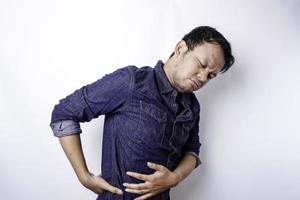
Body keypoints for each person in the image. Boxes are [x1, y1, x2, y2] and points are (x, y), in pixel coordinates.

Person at [49, 26, 235, 200]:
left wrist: (175, 177)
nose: (203, 77)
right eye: (202, 64)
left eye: (211, 75)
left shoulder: (192, 106)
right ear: (180, 48)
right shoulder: (131, 82)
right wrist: (84, 177)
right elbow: (64, 113)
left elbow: (192, 150)